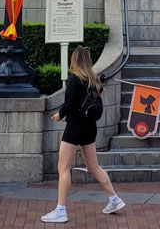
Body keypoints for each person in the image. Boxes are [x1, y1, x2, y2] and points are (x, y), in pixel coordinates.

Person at [42, 46, 124, 223]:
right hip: (90, 127)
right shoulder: (93, 80)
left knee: (63, 168)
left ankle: (61, 209)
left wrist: (60, 114)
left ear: (74, 60)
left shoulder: (75, 79)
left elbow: (70, 103)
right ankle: (115, 200)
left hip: (75, 126)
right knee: (94, 167)